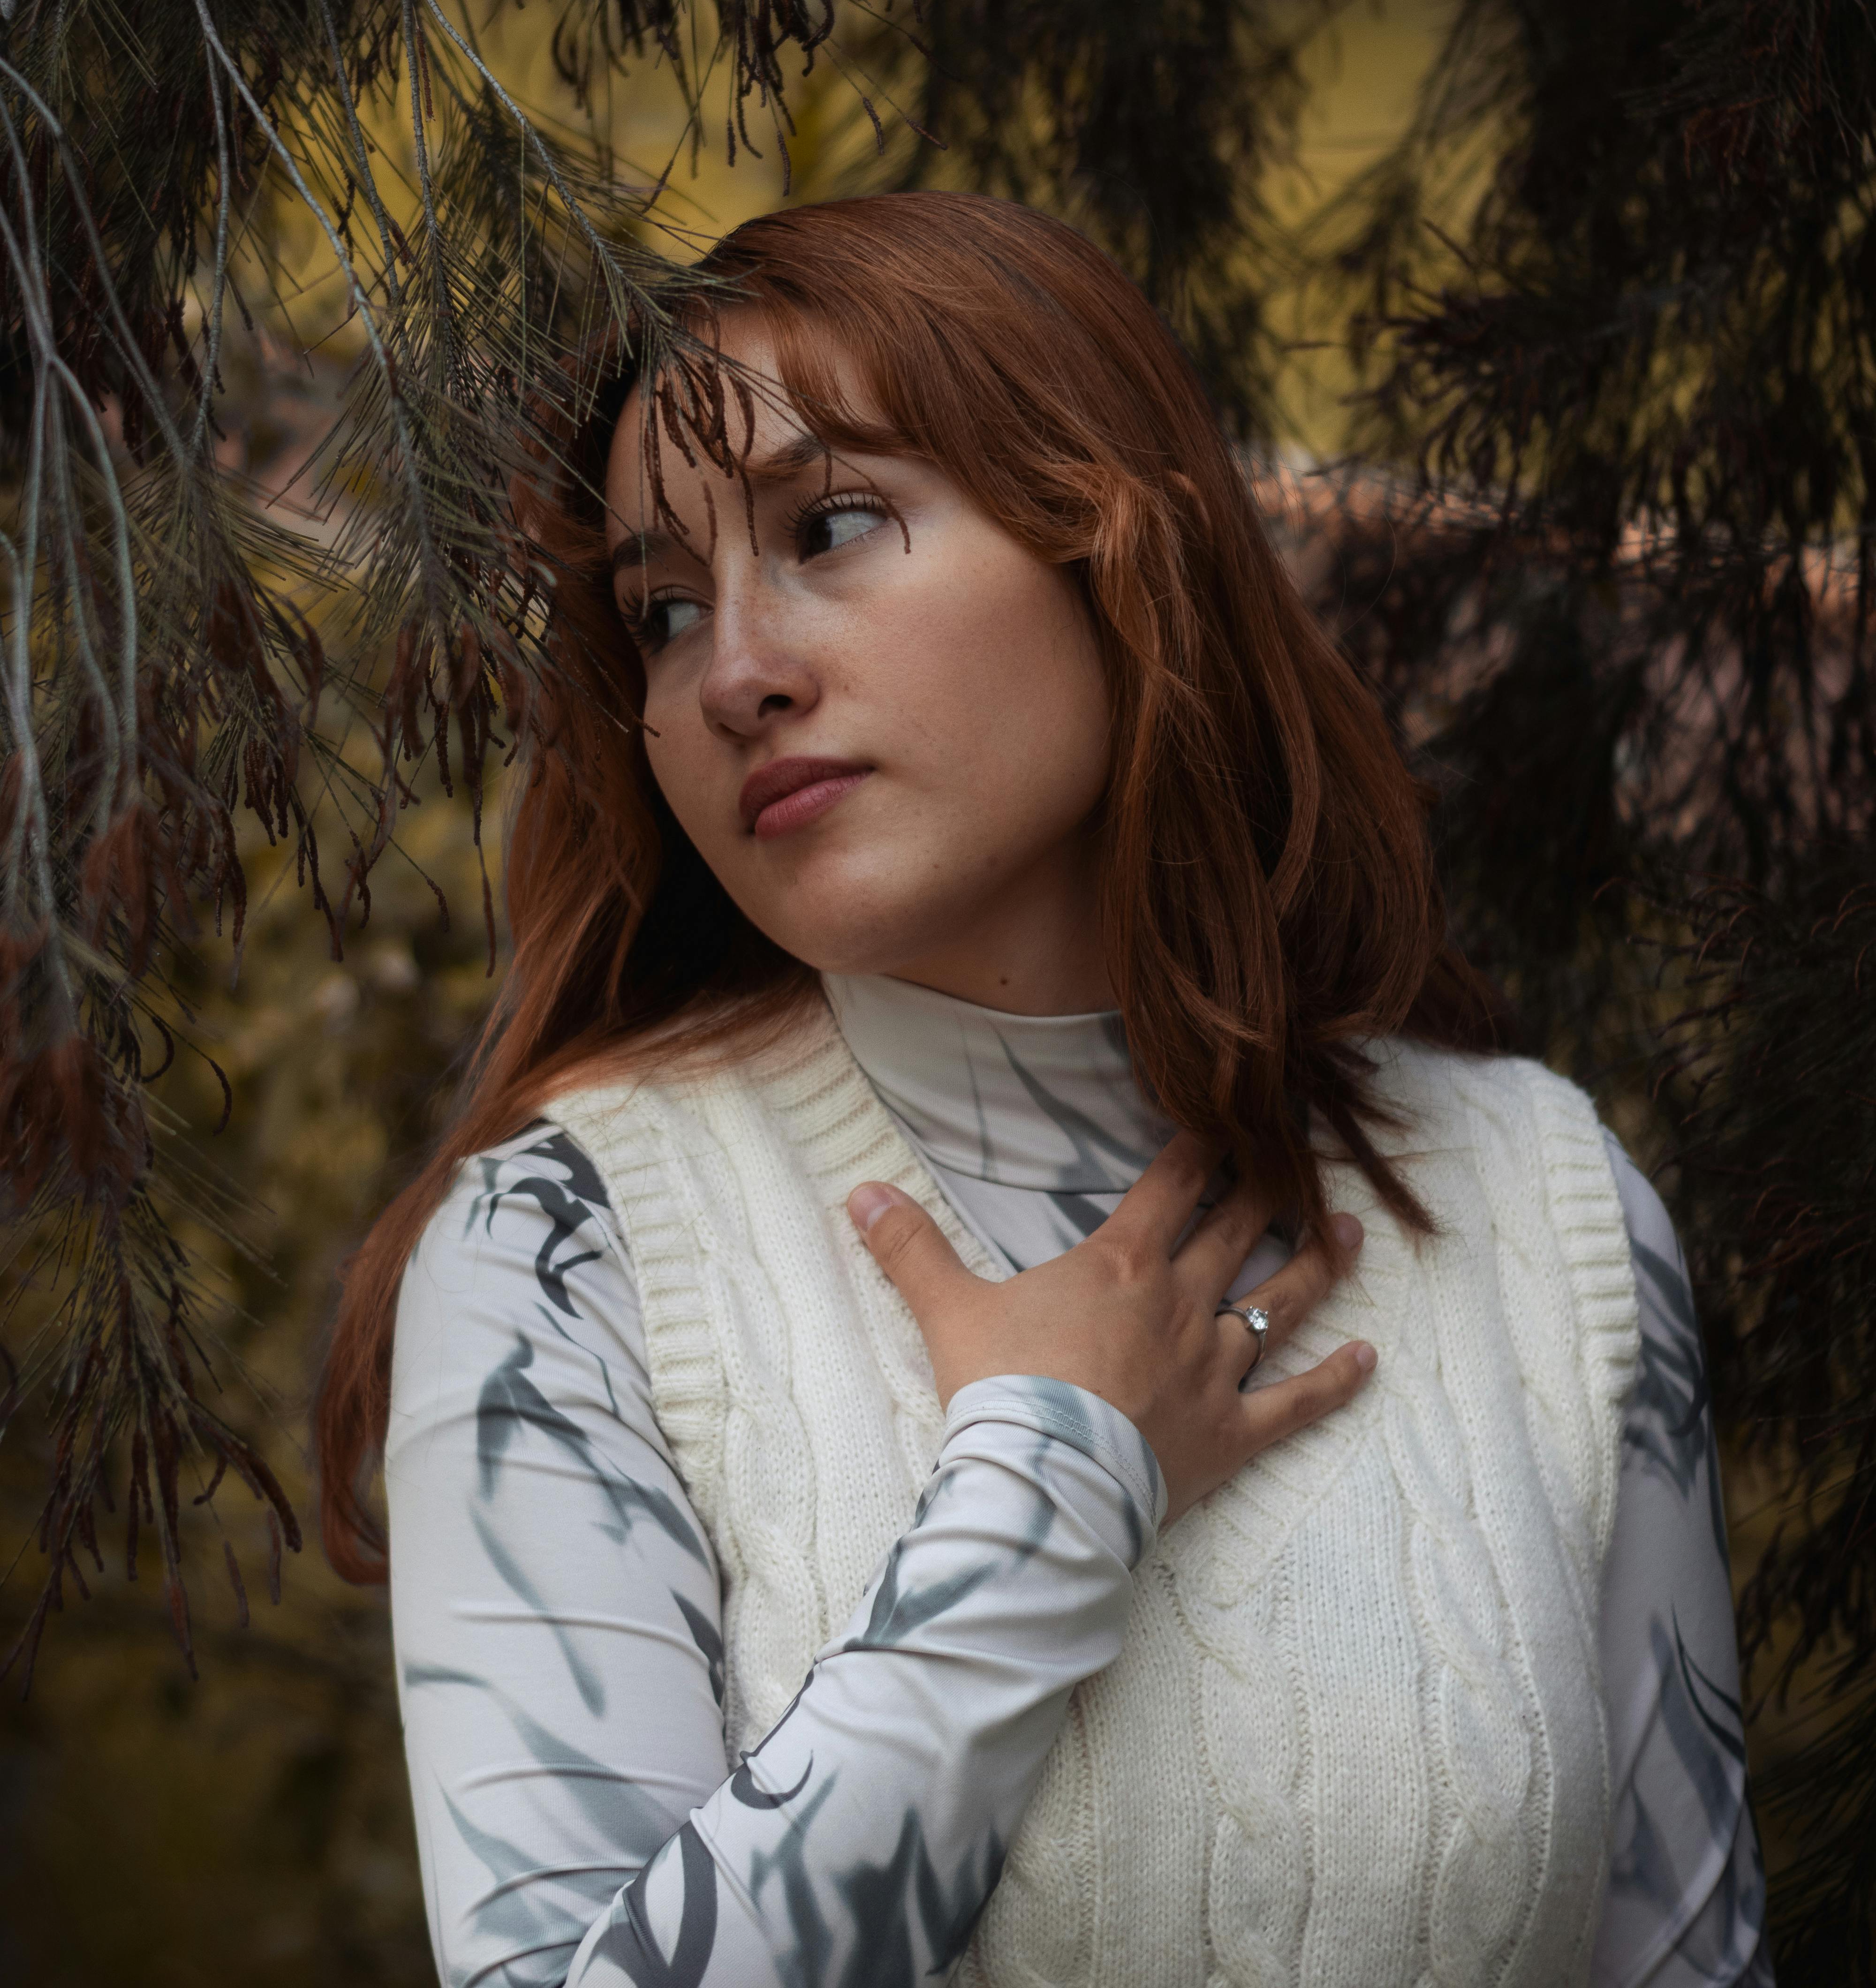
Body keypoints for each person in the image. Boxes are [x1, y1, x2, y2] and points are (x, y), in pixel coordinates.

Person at [318, 193, 1770, 1988]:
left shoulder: (1539, 1201)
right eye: (666, 612)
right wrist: (1049, 1488)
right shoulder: (570, 1252)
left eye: (830, 526)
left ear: (1113, 541)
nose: (736, 672)